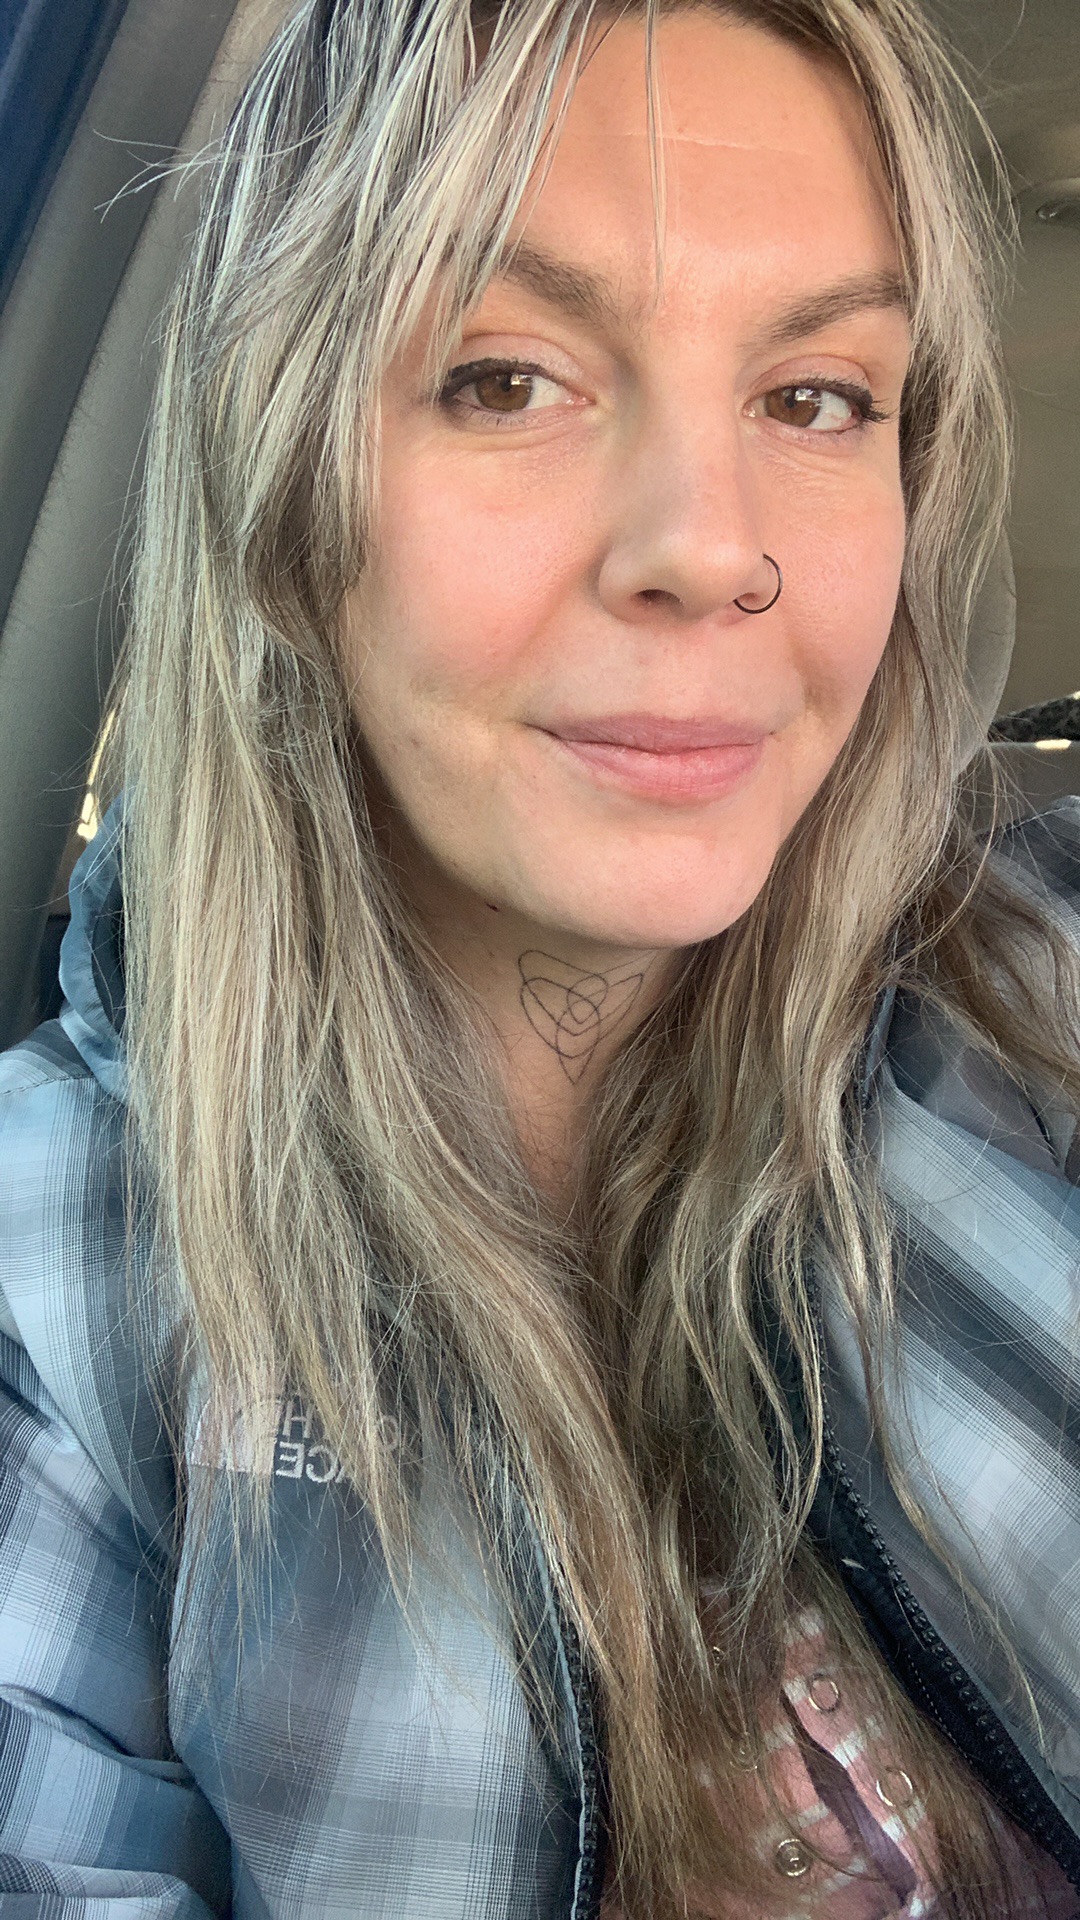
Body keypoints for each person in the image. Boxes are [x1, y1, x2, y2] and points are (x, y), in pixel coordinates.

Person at [2, 0, 1080, 1912]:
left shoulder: (1032, 981)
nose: (711, 548)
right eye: (505, 378)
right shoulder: (56, 1293)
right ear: (279, 482)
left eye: (817, 398)